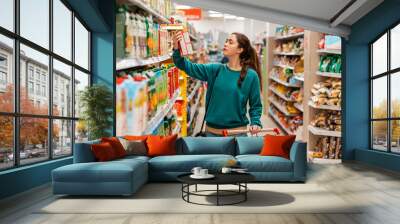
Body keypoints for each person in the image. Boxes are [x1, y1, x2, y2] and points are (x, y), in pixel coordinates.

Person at [172, 32, 263, 137]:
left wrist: (255, 122)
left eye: (230, 42)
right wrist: (176, 49)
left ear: (240, 49)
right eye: (226, 41)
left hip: (237, 135)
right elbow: (185, 66)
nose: (226, 44)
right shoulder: (215, 70)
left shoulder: (251, 76)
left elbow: (255, 105)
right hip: (211, 133)